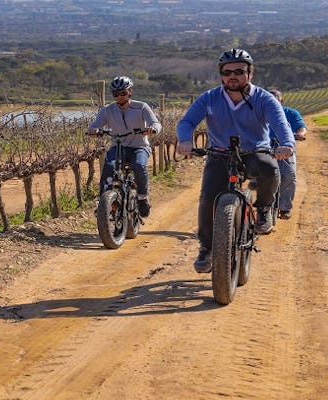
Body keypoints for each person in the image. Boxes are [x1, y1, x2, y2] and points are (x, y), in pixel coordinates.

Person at [175, 48, 295, 273]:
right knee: (208, 198)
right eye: (227, 72)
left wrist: (286, 144)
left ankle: (263, 209)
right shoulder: (210, 98)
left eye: (239, 71)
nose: (232, 76)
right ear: (221, 75)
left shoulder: (264, 99)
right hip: (219, 154)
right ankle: (207, 248)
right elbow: (187, 122)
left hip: (254, 152)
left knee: (270, 169)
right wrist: (184, 140)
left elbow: (281, 125)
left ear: (250, 73)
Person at [88, 76, 162, 218]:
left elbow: (155, 123)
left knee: (139, 166)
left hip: (139, 146)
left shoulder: (142, 107)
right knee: (108, 167)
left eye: (123, 93)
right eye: (116, 94)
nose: (119, 97)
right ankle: (104, 203)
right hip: (118, 146)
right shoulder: (107, 110)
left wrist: (152, 129)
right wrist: (94, 131)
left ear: (130, 92)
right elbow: (95, 125)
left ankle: (142, 198)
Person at [267, 89, 307, 220]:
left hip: (284, 148)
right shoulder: (259, 114)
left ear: (281, 101)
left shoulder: (291, 113)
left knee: (289, 174)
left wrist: (300, 134)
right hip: (264, 147)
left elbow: (300, 127)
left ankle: (284, 208)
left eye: (275, 101)